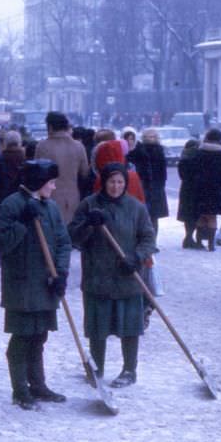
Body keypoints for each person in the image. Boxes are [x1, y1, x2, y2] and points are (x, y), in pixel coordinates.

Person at [0, 160, 71, 410]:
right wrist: (22, 223)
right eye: (51, 183)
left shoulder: (51, 207)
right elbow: (1, 244)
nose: (54, 187)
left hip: (46, 283)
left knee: (40, 335)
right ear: (38, 183)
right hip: (22, 284)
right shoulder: (12, 205)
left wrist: (60, 272)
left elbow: (63, 241)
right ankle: (20, 389)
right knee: (22, 337)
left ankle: (38, 385)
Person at [69, 163, 156, 388]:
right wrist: (89, 224)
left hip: (128, 276)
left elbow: (148, 239)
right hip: (98, 276)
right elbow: (74, 237)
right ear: (103, 182)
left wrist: (136, 257)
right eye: (111, 181)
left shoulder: (136, 208)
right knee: (98, 326)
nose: (116, 186)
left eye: (120, 182)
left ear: (125, 183)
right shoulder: (89, 205)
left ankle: (129, 370)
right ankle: (96, 367)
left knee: (130, 326)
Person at [34, 111, 91, 224]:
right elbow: (85, 173)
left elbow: (35, 175)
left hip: (48, 198)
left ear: (50, 127)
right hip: (72, 198)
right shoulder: (78, 147)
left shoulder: (42, 146)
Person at [189, 129, 221, 252]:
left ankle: (199, 241)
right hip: (215, 190)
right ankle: (211, 244)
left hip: (200, 189)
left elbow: (193, 170)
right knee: (212, 217)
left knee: (201, 216)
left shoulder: (200, 152)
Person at [127, 128, 168, 236]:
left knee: (146, 216)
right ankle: (150, 241)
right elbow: (162, 172)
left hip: (147, 186)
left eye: (152, 137)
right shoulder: (158, 151)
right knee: (151, 217)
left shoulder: (141, 150)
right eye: (148, 137)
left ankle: (148, 241)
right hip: (152, 187)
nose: (150, 139)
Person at [0, 130, 26, 218]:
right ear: (19, 143)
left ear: (5, 143)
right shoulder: (25, 160)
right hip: (22, 200)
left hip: (3, 199)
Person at [177, 139, 202, 249]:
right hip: (196, 189)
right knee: (195, 215)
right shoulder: (198, 157)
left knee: (187, 215)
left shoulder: (183, 158)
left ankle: (188, 237)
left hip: (186, 189)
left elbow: (182, 175)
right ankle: (190, 238)